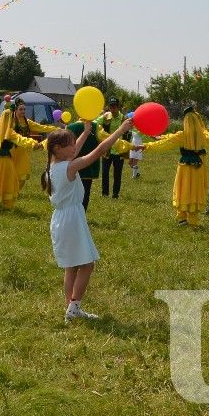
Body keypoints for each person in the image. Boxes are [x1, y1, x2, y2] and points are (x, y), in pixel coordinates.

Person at [41, 117, 135, 323]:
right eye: (70, 145)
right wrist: (120, 130)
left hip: (60, 219)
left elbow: (77, 149)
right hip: (71, 220)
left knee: (71, 266)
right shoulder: (69, 168)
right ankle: (74, 307)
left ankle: (70, 308)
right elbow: (99, 151)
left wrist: (85, 131)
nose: (74, 147)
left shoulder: (52, 167)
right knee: (87, 264)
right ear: (57, 148)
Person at [142, 105, 209, 226]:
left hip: (185, 167)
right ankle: (194, 219)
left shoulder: (182, 135)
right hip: (199, 167)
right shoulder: (203, 135)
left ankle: (182, 217)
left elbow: (166, 143)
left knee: (183, 189)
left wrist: (146, 146)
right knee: (195, 190)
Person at [0, 105, 41, 210]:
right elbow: (21, 140)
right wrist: (34, 144)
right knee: (10, 181)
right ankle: (7, 205)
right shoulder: (9, 132)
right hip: (4, 161)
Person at [11, 97, 57, 189]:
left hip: (24, 151)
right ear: (15, 110)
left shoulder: (27, 122)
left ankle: (16, 191)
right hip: (12, 150)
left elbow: (42, 127)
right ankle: (10, 190)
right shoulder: (11, 121)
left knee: (22, 172)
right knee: (11, 172)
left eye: (24, 109)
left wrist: (57, 129)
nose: (23, 111)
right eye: (20, 109)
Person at [100, 97, 129, 199]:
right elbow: (96, 124)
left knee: (117, 174)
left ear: (118, 106)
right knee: (104, 172)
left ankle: (115, 194)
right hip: (107, 149)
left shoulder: (124, 119)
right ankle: (105, 193)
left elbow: (130, 133)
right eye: (111, 106)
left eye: (115, 106)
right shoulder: (106, 117)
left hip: (119, 150)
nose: (113, 108)